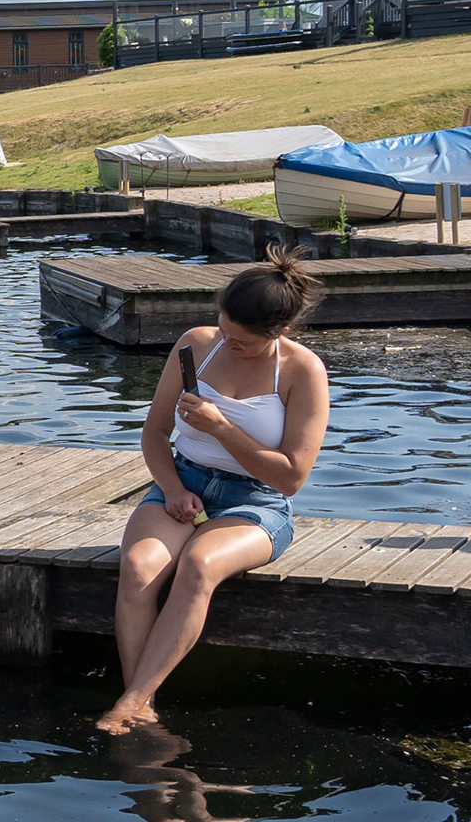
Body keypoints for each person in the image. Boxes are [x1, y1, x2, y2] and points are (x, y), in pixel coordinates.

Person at [102, 249, 331, 735]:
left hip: (256, 501)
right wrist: (171, 488)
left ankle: (131, 702)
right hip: (183, 482)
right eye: (224, 330)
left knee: (199, 564)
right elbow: (154, 433)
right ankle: (141, 701)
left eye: (242, 342)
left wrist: (222, 428)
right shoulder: (195, 345)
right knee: (139, 566)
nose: (228, 344)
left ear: (280, 331)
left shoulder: (303, 371)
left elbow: (291, 477)